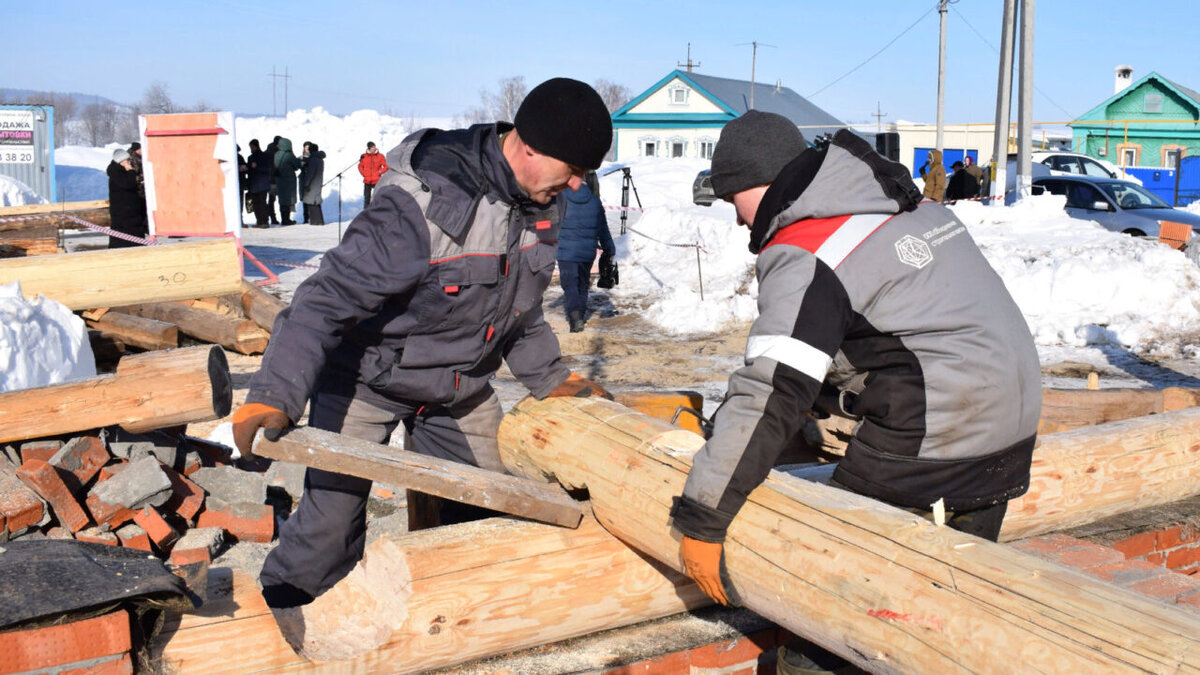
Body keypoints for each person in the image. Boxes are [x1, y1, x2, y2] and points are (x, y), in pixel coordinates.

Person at [230, 77, 615, 609]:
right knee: (329, 529)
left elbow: (519, 311)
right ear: (529, 146)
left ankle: (449, 621)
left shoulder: (546, 202)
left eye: (584, 174)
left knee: (492, 507)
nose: (577, 186)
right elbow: (322, 302)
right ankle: (278, 624)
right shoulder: (422, 206)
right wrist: (274, 394)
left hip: (458, 384)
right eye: (572, 170)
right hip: (368, 377)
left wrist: (553, 378)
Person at [670, 112, 1040, 625]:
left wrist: (703, 516)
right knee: (941, 624)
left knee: (827, 620)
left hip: (936, 449)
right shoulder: (906, 207)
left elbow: (774, 390)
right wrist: (720, 433)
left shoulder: (808, 249)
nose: (737, 219)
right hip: (1005, 436)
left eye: (735, 199)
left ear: (761, 183)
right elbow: (888, 339)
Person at [556, 177, 614, 332]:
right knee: (582, 283)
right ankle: (579, 316)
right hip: (587, 251)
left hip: (566, 251)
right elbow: (603, 228)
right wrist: (610, 248)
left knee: (570, 285)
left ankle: (575, 318)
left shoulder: (561, 198)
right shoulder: (595, 201)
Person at [106, 148, 148, 248]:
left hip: (129, 211)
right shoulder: (116, 172)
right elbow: (128, 184)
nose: (129, 162)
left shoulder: (120, 171)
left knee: (134, 235)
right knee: (123, 237)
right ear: (121, 161)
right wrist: (130, 171)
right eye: (127, 160)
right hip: (123, 212)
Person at [274, 137, 302, 225]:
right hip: (288, 181)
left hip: (279, 180)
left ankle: (283, 218)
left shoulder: (277, 154)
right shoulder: (289, 155)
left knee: (282, 200)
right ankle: (287, 219)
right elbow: (297, 165)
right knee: (288, 200)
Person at [246, 139, 273, 228]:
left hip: (262, 184)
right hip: (254, 184)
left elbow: (268, 169)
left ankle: (264, 221)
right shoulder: (250, 158)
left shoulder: (264, 156)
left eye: (252, 146)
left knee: (262, 203)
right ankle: (259, 221)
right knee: (256, 204)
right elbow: (249, 172)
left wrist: (257, 167)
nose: (251, 148)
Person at [300, 141, 326, 226]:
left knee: (312, 203)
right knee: (316, 202)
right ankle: (319, 220)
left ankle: (315, 221)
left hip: (312, 184)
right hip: (317, 182)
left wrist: (306, 184)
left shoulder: (313, 160)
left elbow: (310, 173)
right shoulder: (320, 159)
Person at [358, 141, 389, 206]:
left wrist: (380, 172)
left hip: (377, 180)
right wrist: (364, 173)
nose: (374, 148)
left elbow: (386, 166)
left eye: (374, 147)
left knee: (378, 198)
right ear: (369, 148)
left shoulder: (380, 156)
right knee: (367, 199)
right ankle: (366, 213)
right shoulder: (364, 156)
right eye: (372, 147)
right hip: (367, 180)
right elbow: (360, 166)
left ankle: (379, 212)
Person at [266, 136, 281, 224]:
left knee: (270, 200)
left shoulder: (267, 151)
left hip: (268, 179)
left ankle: (271, 217)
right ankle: (275, 218)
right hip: (276, 179)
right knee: (280, 200)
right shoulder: (278, 153)